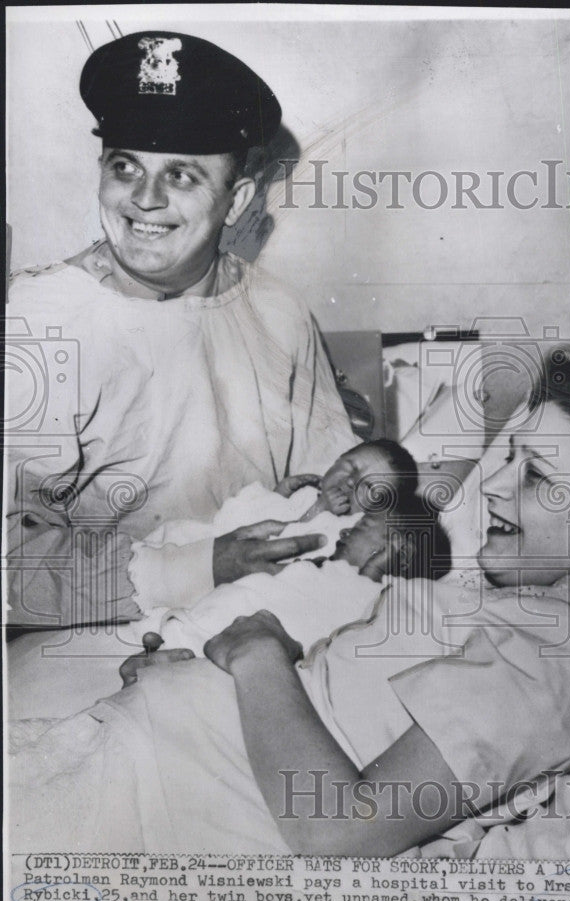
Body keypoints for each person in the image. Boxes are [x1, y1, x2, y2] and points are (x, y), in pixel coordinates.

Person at [8, 344, 570, 856]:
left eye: (534, 475)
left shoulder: (562, 652)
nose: (494, 486)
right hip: (145, 768)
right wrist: (198, 673)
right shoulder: (518, 607)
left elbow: (339, 831)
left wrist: (257, 654)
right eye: (506, 455)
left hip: (152, 811)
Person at [5, 30, 357, 631]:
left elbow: (342, 482)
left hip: (271, 616)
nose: (144, 199)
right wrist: (198, 567)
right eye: (125, 167)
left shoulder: (278, 311)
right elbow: (11, 564)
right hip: (93, 634)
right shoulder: (38, 318)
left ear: (239, 199)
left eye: (182, 176)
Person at [123, 497, 452, 664]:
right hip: (200, 626)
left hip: (217, 646)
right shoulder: (321, 571)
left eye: (364, 527)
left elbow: (345, 618)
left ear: (397, 551)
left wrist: (372, 574)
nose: (348, 529)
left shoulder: (367, 599)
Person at [125, 438, 420, 614]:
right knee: (170, 541)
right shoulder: (305, 493)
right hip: (207, 541)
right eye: (350, 467)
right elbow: (233, 517)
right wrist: (276, 495)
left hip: (225, 579)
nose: (351, 482)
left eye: (369, 489)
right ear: (335, 461)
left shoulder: (341, 533)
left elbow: (287, 554)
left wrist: (316, 511)